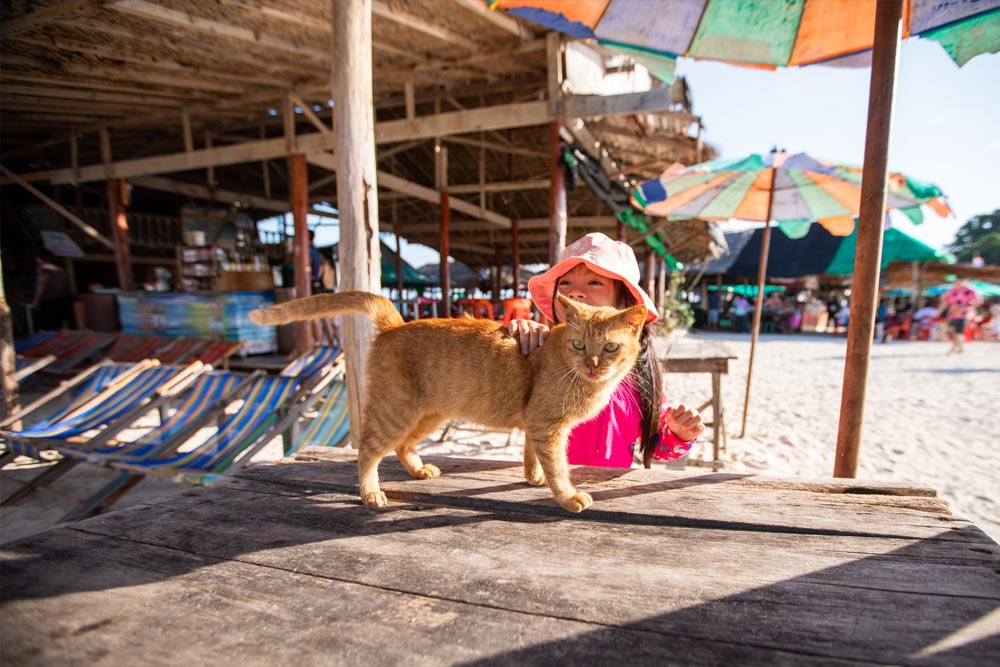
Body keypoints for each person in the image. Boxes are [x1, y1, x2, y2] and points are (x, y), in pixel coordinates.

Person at [508, 233, 705, 469]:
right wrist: (519, 336)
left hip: (610, 490)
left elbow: (657, 447)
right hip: (549, 484)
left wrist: (679, 432)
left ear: (625, 302)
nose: (575, 293)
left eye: (593, 282)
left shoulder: (640, 374)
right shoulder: (541, 348)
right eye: (566, 284)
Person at [937, 276, 979, 354]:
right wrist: (939, 311)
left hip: (964, 315)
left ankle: (955, 348)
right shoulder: (952, 290)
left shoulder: (970, 291)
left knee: (959, 332)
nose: (957, 283)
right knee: (951, 331)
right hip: (952, 314)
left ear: (964, 281)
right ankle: (959, 347)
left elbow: (977, 301)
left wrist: (967, 308)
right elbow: (945, 302)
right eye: (956, 281)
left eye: (959, 281)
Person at [30, 253, 72, 330]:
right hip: (62, 299)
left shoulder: (44, 269)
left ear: (40, 259)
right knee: (58, 324)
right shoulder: (60, 269)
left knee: (48, 325)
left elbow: (43, 284)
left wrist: (36, 301)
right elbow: (67, 283)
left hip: (49, 300)